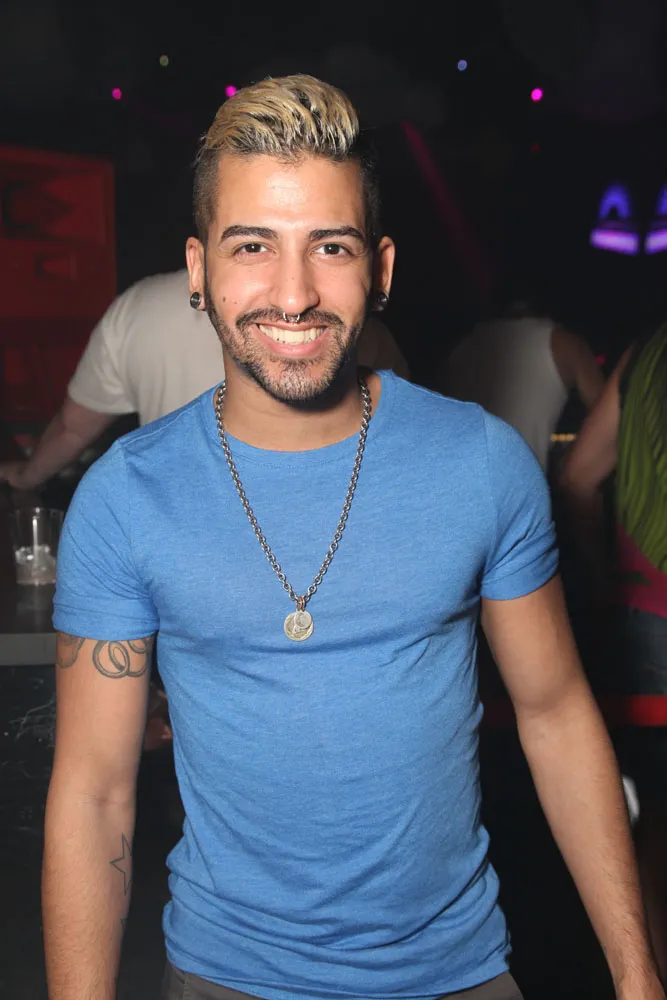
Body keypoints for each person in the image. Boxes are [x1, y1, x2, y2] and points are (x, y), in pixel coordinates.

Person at [42, 74, 663, 1000]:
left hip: (457, 973)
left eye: (328, 246)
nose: (292, 295)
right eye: (252, 246)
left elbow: (555, 715)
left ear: (380, 268)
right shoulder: (127, 498)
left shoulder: (481, 462)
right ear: (198, 270)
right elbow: (93, 795)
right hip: (224, 976)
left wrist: (637, 974)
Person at [0, 270, 408, 492]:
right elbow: (399, 420)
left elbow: (73, 429)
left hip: (171, 534)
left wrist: (26, 476)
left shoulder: (138, 303)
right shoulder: (338, 317)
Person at [559, 323, 667, 981]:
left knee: (658, 817)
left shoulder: (645, 354)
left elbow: (577, 478)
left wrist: (607, 574)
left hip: (648, 610)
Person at [439, 288, 604, 470]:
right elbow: (607, 426)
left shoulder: (461, 347)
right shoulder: (564, 344)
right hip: (518, 482)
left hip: (454, 477)